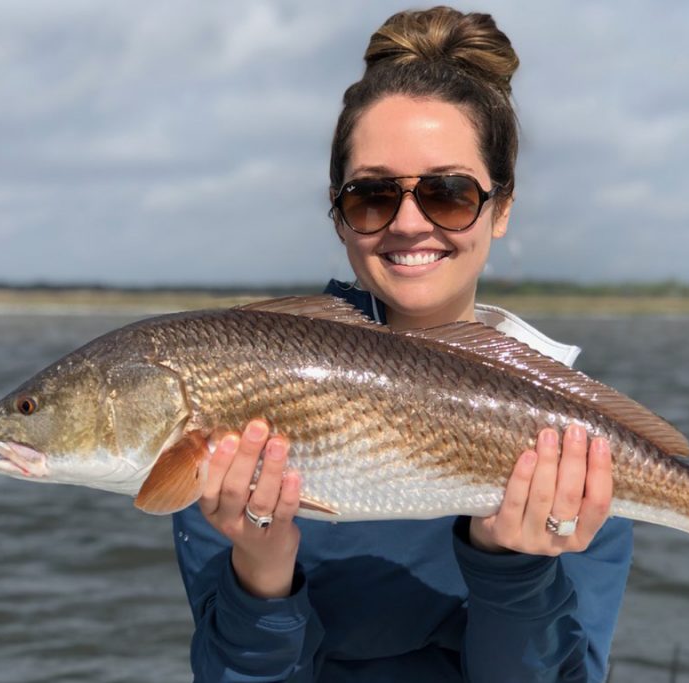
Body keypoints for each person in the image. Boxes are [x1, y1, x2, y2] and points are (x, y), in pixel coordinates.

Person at [172, 7, 633, 682]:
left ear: (502, 207)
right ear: (338, 210)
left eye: (448, 194)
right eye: (372, 194)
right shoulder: (241, 399)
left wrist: (513, 569)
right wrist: (261, 574)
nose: (408, 222)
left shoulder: (574, 443)